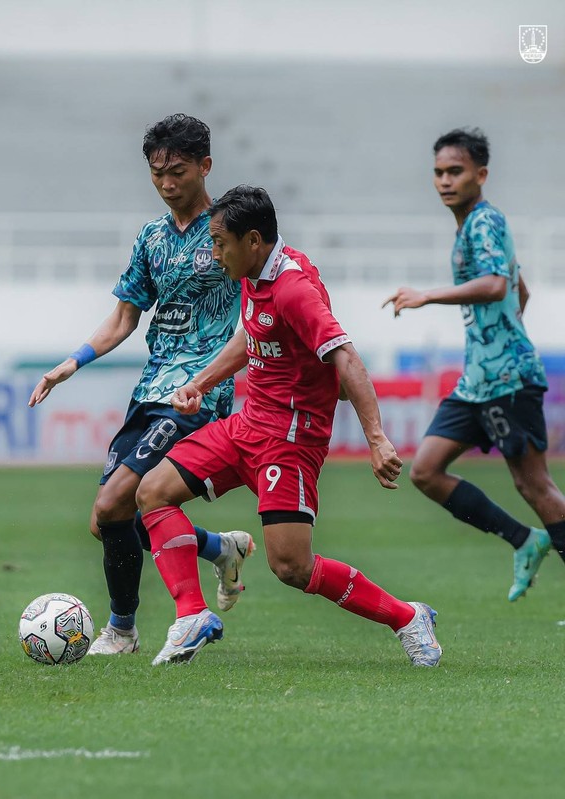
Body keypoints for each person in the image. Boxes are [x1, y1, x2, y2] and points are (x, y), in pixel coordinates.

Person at [136, 185, 443, 668]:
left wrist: (377, 438)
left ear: (253, 240)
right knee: (152, 492)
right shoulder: (252, 272)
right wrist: (201, 381)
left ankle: (408, 618)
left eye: (221, 244)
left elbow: (345, 356)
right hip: (246, 426)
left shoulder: (295, 287)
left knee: (291, 567)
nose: (215, 255)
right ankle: (191, 615)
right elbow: (250, 334)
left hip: (290, 443)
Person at [28, 114, 255, 655]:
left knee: (114, 504)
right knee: (106, 519)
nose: (166, 183)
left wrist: (211, 378)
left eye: (177, 171)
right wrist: (72, 362)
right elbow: (125, 318)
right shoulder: (152, 238)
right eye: (157, 174)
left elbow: (256, 318)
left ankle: (123, 630)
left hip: (198, 396)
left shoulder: (231, 232)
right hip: (151, 392)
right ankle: (219, 547)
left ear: (205, 166)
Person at [383, 127, 565, 602]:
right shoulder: (470, 227)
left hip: (508, 379)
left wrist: (426, 296)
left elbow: (496, 287)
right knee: (425, 470)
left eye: (455, 171)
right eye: (439, 173)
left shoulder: (484, 222)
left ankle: (535, 536)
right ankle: (525, 540)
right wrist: (503, 333)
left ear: (480, 175)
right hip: (479, 379)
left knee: (535, 486)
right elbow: (519, 287)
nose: (445, 181)